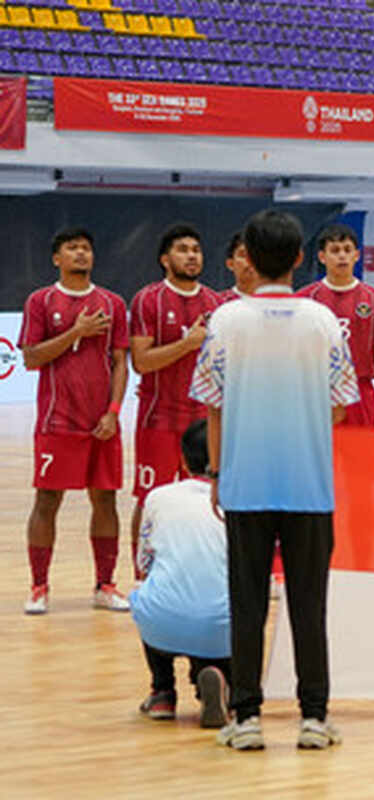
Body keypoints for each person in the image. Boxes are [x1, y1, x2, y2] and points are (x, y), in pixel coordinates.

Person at [190, 209, 360, 751]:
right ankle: (314, 717)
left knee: (247, 602)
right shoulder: (323, 321)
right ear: (297, 259)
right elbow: (340, 406)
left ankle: (247, 719)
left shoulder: (224, 320)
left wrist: (216, 473)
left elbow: (213, 409)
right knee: (310, 604)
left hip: (245, 482)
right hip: (310, 483)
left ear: (247, 258)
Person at [19, 227, 130, 615]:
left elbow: (120, 362)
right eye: (72, 248)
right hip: (57, 422)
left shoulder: (113, 303)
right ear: (57, 258)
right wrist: (76, 331)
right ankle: (38, 586)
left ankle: (104, 584)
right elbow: (32, 358)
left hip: (102, 423)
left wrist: (114, 412)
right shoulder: (40, 301)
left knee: (106, 500)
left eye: (86, 247)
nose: (81, 253)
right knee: (47, 500)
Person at [128, 224, 222, 578]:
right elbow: (142, 361)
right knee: (148, 497)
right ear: (165, 259)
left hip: (204, 418)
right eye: (183, 249)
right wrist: (187, 343)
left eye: (196, 249)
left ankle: (201, 570)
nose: (192, 255)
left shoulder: (216, 303)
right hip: (159, 417)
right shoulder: (148, 299)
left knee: (209, 497)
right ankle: (143, 576)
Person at [130, 419, 231, 729]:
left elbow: (144, 564)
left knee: (148, 594)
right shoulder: (241, 499)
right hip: (221, 627)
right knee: (231, 608)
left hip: (163, 623)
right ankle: (221, 685)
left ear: (183, 460)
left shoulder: (158, 497)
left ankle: (162, 692)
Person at [298, 224, 374, 429]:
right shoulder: (304, 299)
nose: (342, 256)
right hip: (317, 392)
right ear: (322, 257)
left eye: (347, 250)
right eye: (335, 250)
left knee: (362, 458)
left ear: (357, 255)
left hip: (362, 393)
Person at [217, 232, 256, 304]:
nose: (250, 260)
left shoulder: (274, 302)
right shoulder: (217, 303)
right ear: (230, 264)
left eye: (255, 254)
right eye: (243, 255)